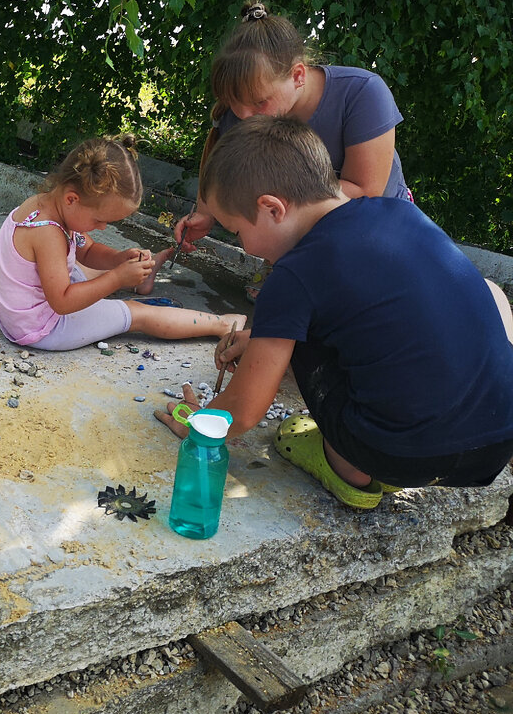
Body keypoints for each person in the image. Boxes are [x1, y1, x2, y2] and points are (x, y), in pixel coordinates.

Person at [156, 116, 513, 509]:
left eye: (237, 230)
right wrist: (262, 340)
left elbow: (243, 410)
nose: (245, 245)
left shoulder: (292, 275)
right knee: (490, 291)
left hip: (394, 455)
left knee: (306, 334)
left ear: (272, 208)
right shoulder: (401, 213)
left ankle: (346, 467)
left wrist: (197, 426)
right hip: (496, 443)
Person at [173, 0, 413, 256]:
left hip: (382, 229)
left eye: (259, 102)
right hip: (303, 235)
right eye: (233, 103)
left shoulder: (362, 93)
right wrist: (206, 213)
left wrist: (279, 213)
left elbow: (365, 192)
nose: (245, 117)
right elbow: (222, 174)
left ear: (298, 75)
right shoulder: (241, 113)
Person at [0, 135, 246, 351]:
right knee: (136, 312)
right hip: (43, 327)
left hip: (24, 311)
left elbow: (87, 250)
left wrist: (118, 259)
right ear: (72, 199)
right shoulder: (49, 234)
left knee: (89, 271)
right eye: (100, 220)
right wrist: (117, 278)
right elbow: (63, 302)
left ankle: (141, 275)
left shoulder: (46, 205)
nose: (102, 227)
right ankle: (221, 324)